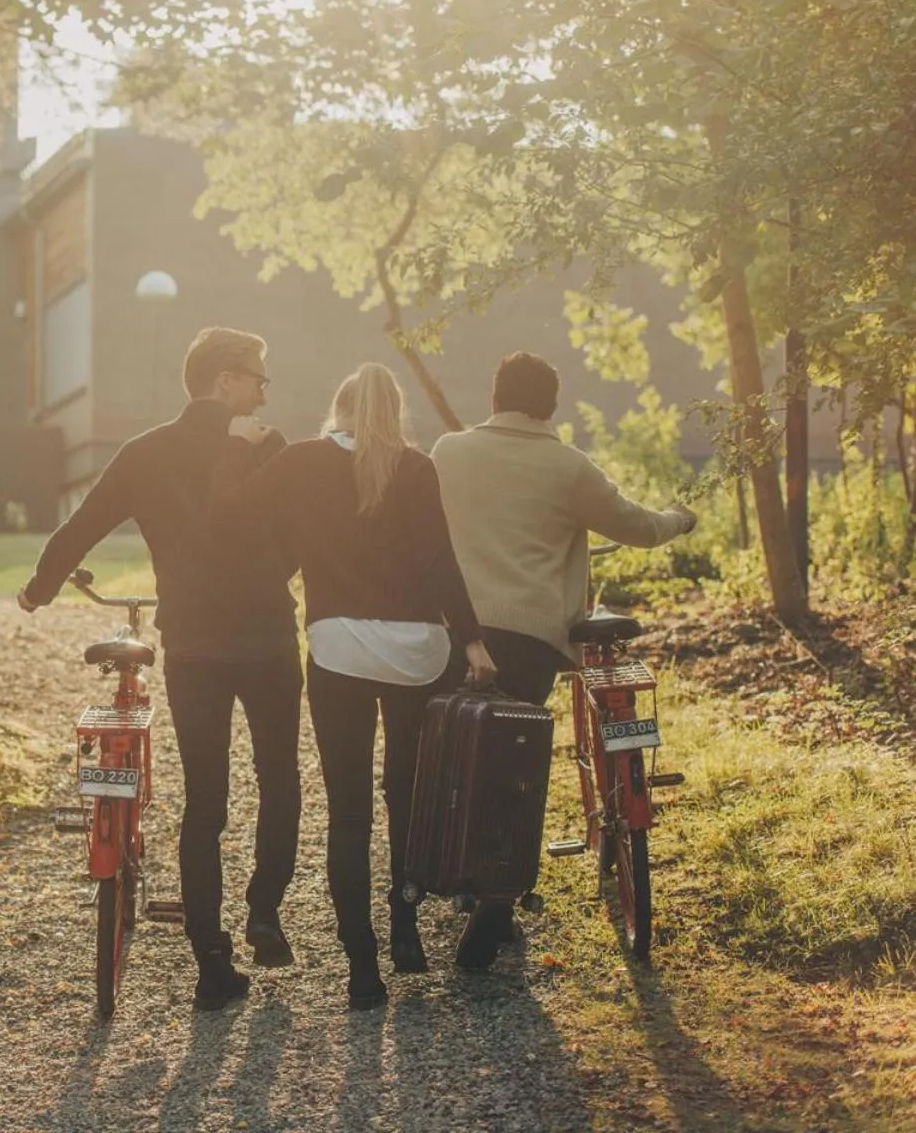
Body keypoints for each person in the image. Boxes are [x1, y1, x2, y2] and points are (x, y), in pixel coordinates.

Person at [17, 327, 302, 1012]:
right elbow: (300, 535)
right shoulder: (268, 446)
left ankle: (211, 961)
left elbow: (83, 524)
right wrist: (271, 578)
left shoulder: (145, 453)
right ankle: (265, 913)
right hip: (265, 636)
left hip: (196, 645)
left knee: (205, 800)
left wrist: (41, 587)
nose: (265, 391)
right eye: (259, 378)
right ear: (227, 380)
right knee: (279, 775)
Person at [213, 363, 497, 1011]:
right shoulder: (418, 467)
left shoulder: (305, 462)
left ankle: (362, 966)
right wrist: (473, 639)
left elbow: (230, 511)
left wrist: (239, 441)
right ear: (395, 412)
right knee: (406, 794)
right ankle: (405, 930)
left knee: (349, 812)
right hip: (416, 654)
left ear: (338, 407)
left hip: (339, 647)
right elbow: (439, 559)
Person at [431, 350, 697, 969]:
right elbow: (636, 525)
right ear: (550, 405)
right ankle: (497, 904)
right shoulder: (567, 466)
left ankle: (461, 884)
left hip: (456, 631)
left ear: (494, 396)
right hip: (528, 640)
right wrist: (679, 520)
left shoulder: (448, 452)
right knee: (514, 766)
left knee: (459, 758)